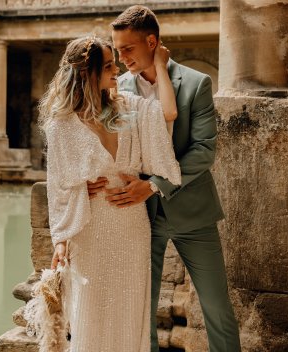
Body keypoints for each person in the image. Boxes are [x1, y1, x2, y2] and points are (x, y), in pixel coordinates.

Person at [87, 5, 242, 352]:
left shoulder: (197, 83)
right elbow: (99, 139)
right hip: (137, 217)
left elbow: (203, 150)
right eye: (117, 49)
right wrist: (86, 179)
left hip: (194, 215)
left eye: (128, 48)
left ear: (152, 42)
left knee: (217, 309)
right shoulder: (116, 88)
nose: (121, 57)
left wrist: (154, 184)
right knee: (141, 312)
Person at [40, 35, 181, 351]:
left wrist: (150, 187)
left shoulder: (129, 107)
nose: (117, 69)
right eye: (107, 66)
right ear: (87, 73)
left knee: (130, 314)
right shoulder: (62, 125)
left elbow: (168, 113)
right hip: (90, 231)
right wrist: (61, 240)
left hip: (131, 227)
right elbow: (58, 186)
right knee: (91, 315)